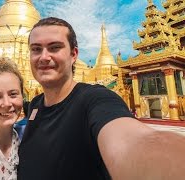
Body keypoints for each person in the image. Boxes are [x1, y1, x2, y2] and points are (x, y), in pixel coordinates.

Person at [18, 17, 185, 180]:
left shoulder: (95, 99)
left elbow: (133, 142)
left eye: (54, 47)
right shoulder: (35, 105)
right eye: (36, 49)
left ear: (74, 54)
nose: (44, 57)